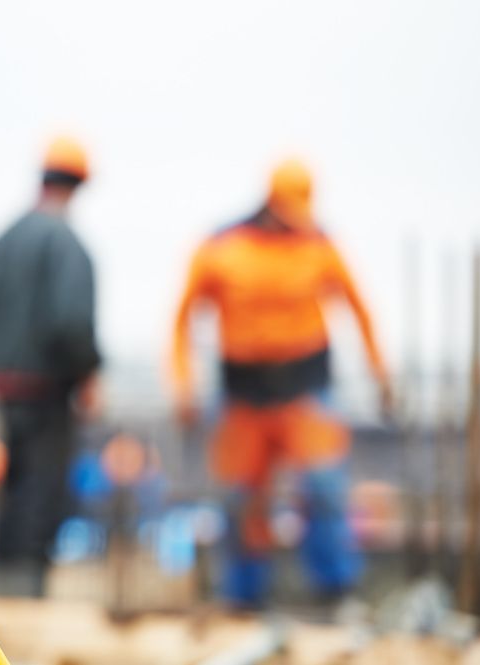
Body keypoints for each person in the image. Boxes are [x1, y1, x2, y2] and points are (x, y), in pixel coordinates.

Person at [170, 158, 392, 607]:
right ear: (270, 203)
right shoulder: (221, 248)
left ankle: (334, 591)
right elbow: (183, 319)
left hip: (305, 390)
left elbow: (360, 309)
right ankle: (244, 597)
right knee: (241, 499)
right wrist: (183, 384)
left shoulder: (320, 246)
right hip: (243, 396)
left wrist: (380, 374)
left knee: (325, 491)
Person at [0, 136, 101, 597]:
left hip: (4, 385)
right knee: (41, 490)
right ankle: (24, 588)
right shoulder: (65, 243)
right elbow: (71, 322)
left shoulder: (4, 240)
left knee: (13, 485)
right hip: (47, 386)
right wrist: (88, 373)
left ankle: (3, 585)